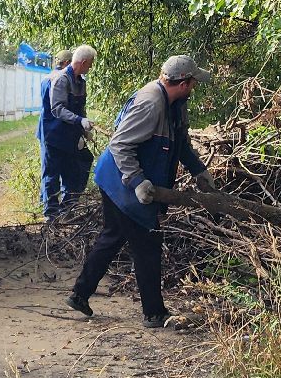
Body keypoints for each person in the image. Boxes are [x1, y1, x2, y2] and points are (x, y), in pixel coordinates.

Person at [65, 54, 215, 328]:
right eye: (193, 83)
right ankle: (154, 313)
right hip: (121, 182)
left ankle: (79, 294)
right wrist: (137, 181)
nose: (194, 88)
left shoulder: (175, 105)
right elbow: (120, 145)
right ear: (183, 83)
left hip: (125, 181)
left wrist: (199, 171)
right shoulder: (151, 103)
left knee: (113, 237)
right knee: (148, 245)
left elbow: (180, 144)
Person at [39, 45, 94, 219]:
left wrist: (84, 129)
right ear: (83, 62)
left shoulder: (81, 82)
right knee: (51, 176)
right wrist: (79, 120)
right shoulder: (61, 79)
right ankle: (51, 216)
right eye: (90, 63)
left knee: (73, 173)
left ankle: (67, 211)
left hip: (70, 137)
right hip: (53, 136)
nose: (91, 67)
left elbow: (80, 108)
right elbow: (57, 109)